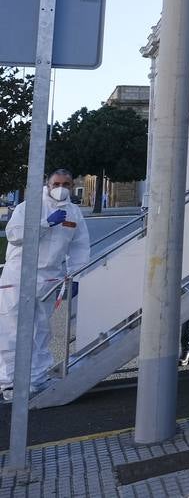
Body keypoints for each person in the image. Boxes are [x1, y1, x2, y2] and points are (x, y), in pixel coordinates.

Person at [0, 170, 91, 397]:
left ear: (71, 186)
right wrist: (44, 224)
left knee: (40, 332)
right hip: (19, 277)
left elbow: (80, 247)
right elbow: (14, 235)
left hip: (48, 279)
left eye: (66, 184)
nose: (61, 188)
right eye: (56, 183)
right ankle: (10, 383)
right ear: (48, 185)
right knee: (12, 331)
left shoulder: (73, 213)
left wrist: (75, 276)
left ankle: (37, 379)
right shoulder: (29, 207)